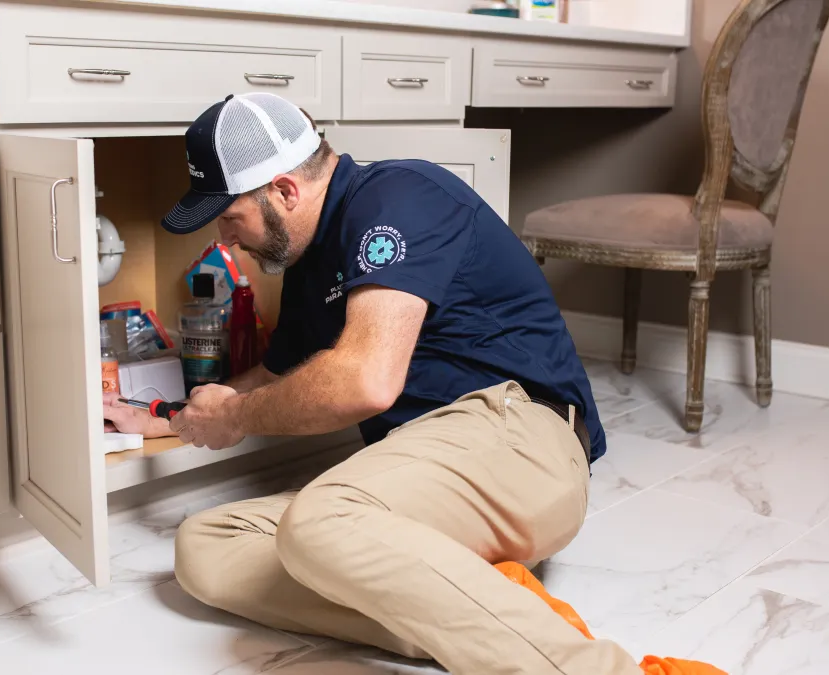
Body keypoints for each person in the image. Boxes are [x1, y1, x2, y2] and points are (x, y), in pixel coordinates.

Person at [102, 92, 638, 675]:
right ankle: (485, 603)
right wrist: (172, 414)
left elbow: (365, 383)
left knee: (320, 521)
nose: (227, 241)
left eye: (231, 218)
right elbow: (273, 378)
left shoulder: (400, 198)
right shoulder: (308, 263)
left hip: (517, 439)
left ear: (284, 191)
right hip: (421, 474)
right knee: (205, 547)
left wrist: (233, 418)